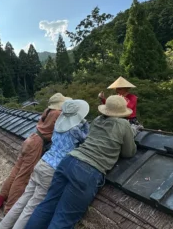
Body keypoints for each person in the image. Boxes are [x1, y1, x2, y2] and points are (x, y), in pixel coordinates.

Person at [25, 95, 137, 229]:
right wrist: (132, 132)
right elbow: (128, 152)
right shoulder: (123, 124)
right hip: (88, 170)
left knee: (46, 206)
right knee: (63, 219)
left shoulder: (97, 120)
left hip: (69, 160)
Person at [0, 100, 90, 229]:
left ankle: (3, 226)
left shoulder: (59, 124)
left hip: (43, 162)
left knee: (23, 199)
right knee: (31, 207)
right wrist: (85, 123)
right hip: (52, 169)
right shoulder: (74, 130)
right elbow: (87, 139)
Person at [0, 93, 71, 213]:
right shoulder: (57, 113)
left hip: (31, 138)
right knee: (23, 177)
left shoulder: (48, 110)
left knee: (16, 170)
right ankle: (9, 208)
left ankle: (1, 198)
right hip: (37, 144)